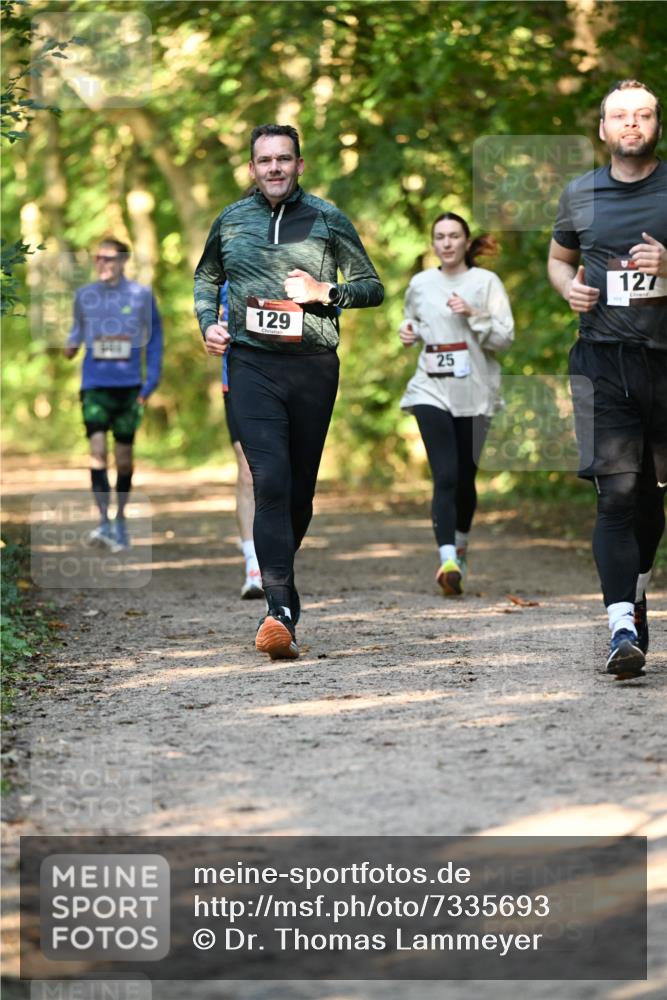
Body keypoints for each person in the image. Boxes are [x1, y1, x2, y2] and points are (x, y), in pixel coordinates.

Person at [194, 123, 383, 659]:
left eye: (284, 159)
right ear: (251, 168)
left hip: (313, 368)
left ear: (299, 165)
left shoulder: (327, 218)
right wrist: (209, 322)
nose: (274, 168)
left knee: (299, 493)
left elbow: (372, 287)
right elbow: (205, 278)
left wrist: (327, 291)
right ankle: (278, 610)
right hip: (252, 363)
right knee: (268, 478)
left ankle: (282, 583)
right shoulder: (231, 221)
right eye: (264, 160)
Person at [548, 79, 666, 678]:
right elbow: (558, 256)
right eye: (620, 116)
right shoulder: (580, 194)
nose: (631, 124)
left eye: (643, 115)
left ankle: (637, 590)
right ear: (602, 129)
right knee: (617, 494)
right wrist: (567, 287)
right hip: (602, 360)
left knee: (651, 506)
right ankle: (622, 623)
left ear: (656, 126)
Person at [399, 212, 514, 595]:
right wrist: (408, 331)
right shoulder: (420, 283)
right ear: (432, 244)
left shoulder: (486, 282)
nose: (446, 243)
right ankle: (447, 558)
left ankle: (460, 544)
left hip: (476, 394)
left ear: (467, 242)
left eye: (454, 236)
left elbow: (504, 339)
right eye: (440, 237)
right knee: (445, 475)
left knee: (465, 479)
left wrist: (474, 314)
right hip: (430, 391)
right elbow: (412, 321)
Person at [64, 237, 163, 551]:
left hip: (129, 388)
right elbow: (76, 332)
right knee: (97, 453)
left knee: (123, 460)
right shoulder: (84, 295)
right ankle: (103, 521)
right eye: (97, 259)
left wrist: (150, 384)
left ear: (123, 261)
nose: (102, 264)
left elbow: (156, 342)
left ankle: (120, 519)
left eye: (109, 259)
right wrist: (69, 346)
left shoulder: (141, 296)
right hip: (94, 385)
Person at [219, 281, 263, 599]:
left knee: (281, 472)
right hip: (235, 380)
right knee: (248, 472)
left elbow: (336, 301)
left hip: (287, 377)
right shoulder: (222, 271)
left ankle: (278, 555)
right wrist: (211, 326)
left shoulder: (288, 258)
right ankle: (254, 565)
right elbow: (204, 305)